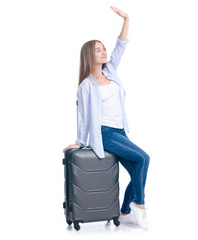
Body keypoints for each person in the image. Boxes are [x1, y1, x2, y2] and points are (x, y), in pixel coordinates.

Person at [63, 6, 150, 230]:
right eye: (98, 50)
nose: (104, 52)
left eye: (104, 49)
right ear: (89, 56)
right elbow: (83, 118)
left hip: (121, 132)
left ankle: (124, 211)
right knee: (143, 159)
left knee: (137, 170)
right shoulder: (85, 86)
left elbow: (121, 45)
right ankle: (139, 205)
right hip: (105, 134)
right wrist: (80, 142)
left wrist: (126, 19)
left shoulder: (110, 71)